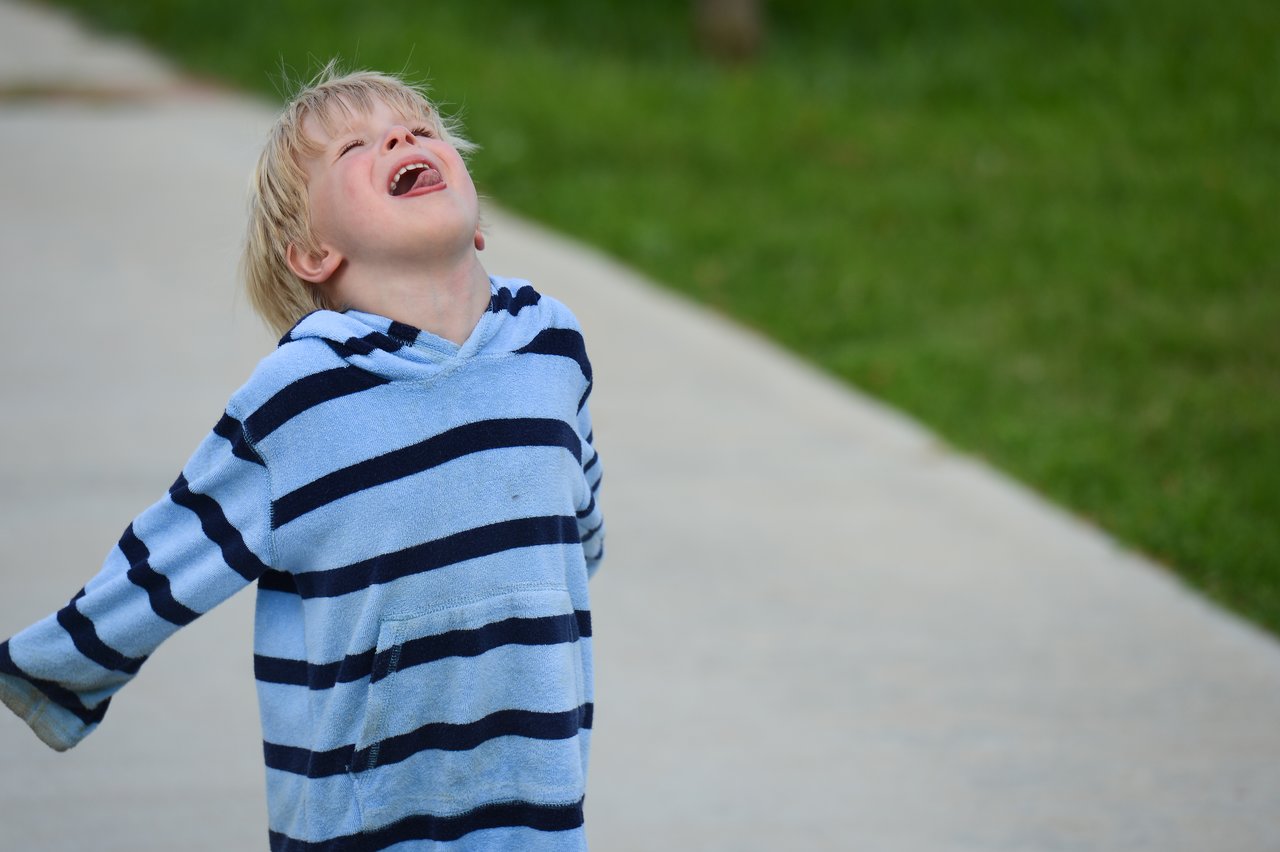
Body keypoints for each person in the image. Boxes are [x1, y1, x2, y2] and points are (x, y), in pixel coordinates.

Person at [0, 65, 605, 851]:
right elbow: (179, 543)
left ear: (478, 217)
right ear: (313, 252)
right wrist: (51, 668)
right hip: (367, 816)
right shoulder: (303, 398)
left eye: (422, 131)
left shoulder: (549, 343)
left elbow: (577, 512)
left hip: (538, 799)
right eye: (357, 144)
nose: (402, 138)